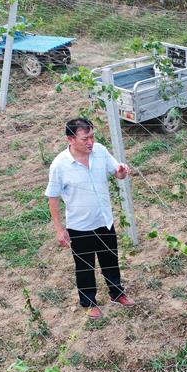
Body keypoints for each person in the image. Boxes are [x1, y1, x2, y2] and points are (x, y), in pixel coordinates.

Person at [45, 117, 136, 319]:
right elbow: (53, 198)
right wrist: (60, 229)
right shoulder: (60, 165)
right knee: (84, 266)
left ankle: (117, 293)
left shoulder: (101, 152)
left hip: (104, 220)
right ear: (70, 139)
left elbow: (118, 173)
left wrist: (122, 172)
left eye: (92, 136)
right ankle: (89, 302)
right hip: (80, 226)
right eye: (85, 138)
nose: (90, 142)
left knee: (110, 261)